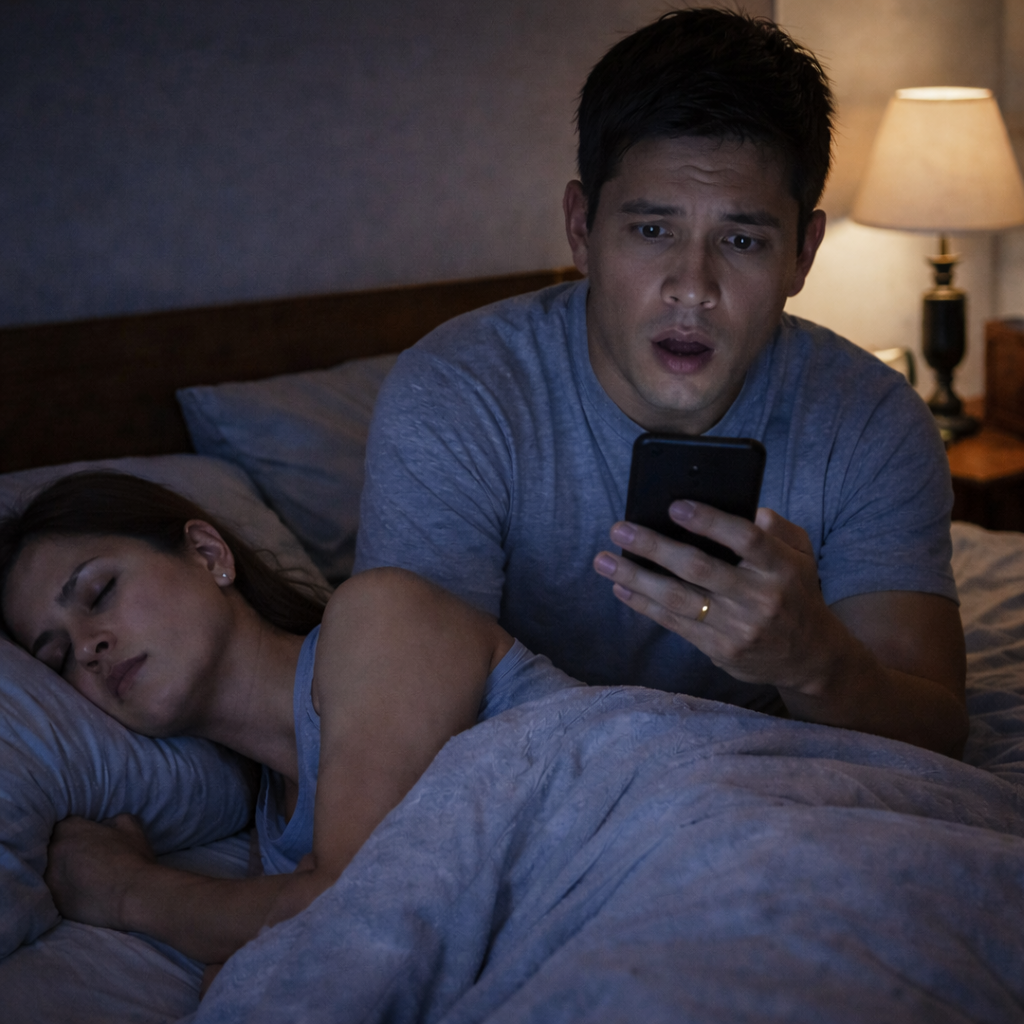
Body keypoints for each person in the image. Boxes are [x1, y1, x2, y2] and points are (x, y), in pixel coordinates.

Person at [354, 8, 968, 756]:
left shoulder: (873, 420)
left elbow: (937, 729)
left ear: (803, 255)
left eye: (741, 240)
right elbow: (407, 722)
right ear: (581, 228)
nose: (693, 287)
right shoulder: (457, 397)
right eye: (652, 230)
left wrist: (815, 661)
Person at [0, 471, 580, 973]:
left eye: (100, 592)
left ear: (208, 553)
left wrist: (125, 890)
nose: (87, 648)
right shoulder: (275, 844)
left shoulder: (380, 615)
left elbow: (361, 907)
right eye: (59, 657)